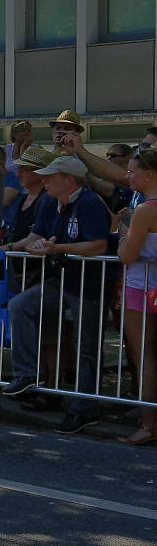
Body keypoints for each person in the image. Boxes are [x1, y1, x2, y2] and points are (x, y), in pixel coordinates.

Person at [1, 154, 112, 432]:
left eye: (50, 177)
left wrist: (57, 248)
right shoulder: (50, 202)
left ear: (69, 179)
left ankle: (85, 407)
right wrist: (24, 247)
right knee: (20, 305)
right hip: (61, 279)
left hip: (89, 283)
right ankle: (27, 374)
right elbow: (36, 237)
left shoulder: (90, 203)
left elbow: (98, 246)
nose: (45, 181)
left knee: (85, 345)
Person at [116, 149, 157, 445]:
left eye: (132, 172)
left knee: (144, 355)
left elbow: (126, 254)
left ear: (149, 175)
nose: (128, 176)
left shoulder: (145, 209)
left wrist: (122, 232)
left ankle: (149, 424)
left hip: (142, 288)